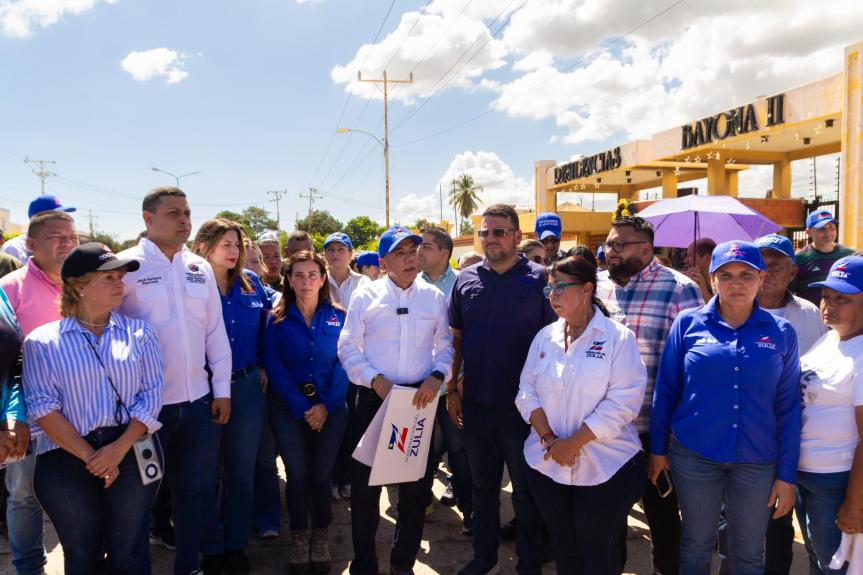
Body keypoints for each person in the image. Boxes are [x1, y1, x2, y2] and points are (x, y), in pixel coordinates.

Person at [650, 240, 801, 574]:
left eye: (746, 275)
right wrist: (658, 451)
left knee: (747, 553)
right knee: (696, 544)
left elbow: (789, 406)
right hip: (695, 455)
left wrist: (786, 475)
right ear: (712, 279)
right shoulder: (688, 324)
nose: (736, 283)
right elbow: (667, 389)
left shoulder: (781, 332)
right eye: (726, 275)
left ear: (761, 278)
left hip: (757, 460)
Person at [22, 242, 162, 575]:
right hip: (65, 458)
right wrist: (92, 457)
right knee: (82, 552)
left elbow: (152, 395)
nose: (120, 284)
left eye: (120, 277)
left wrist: (116, 451)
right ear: (79, 286)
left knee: (128, 548)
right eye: (109, 277)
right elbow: (42, 407)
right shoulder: (42, 342)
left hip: (131, 451)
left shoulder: (141, 333)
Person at [118, 187, 232, 575]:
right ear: (148, 220)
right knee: (140, 497)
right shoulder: (125, 267)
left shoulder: (198, 267)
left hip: (198, 403)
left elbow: (215, 333)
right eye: (173, 213)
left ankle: (188, 566)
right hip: (145, 410)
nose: (184, 220)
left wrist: (222, 391)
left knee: (192, 491)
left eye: (187, 212)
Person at [517, 255, 647, 573]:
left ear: (588, 288)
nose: (553, 295)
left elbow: (623, 402)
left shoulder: (617, 338)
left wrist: (573, 442)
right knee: (563, 545)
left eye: (561, 286)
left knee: (598, 547)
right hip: (548, 462)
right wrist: (550, 439)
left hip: (606, 466)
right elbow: (526, 393)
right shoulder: (544, 337)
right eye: (550, 288)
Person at [338, 225, 454, 575]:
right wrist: (374, 380)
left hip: (417, 401)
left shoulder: (433, 298)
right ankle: (365, 564)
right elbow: (347, 346)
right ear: (384, 261)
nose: (410, 258)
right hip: (374, 399)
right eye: (401, 253)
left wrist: (438, 375)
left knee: (415, 492)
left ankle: (402, 564)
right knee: (365, 491)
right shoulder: (365, 296)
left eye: (414, 251)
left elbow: (446, 346)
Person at [448, 204, 557, 575]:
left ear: (515, 235)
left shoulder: (541, 280)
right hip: (477, 405)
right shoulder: (466, 280)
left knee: (527, 494)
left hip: (525, 410)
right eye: (484, 232)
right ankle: (485, 558)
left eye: (498, 231)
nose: (490, 238)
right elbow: (457, 340)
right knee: (483, 489)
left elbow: (556, 343)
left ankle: (529, 563)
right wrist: (452, 389)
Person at [596, 215, 703, 575]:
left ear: (645, 248)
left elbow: (690, 368)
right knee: (609, 519)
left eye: (619, 245)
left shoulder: (680, 288)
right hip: (603, 428)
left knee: (662, 517)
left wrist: (670, 433)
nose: (610, 251)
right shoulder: (597, 287)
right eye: (609, 244)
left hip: (654, 429)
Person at [0, 209, 79, 575]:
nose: (68, 244)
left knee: (79, 493)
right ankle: (29, 566)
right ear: (31, 245)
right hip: (27, 416)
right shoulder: (9, 288)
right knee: (24, 496)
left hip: (82, 411)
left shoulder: (83, 282)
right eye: (56, 237)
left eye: (72, 237)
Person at [264, 250, 349, 574]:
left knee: (320, 475)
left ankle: (321, 536)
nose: (305, 281)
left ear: (323, 278)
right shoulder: (275, 319)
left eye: (312, 274)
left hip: (332, 409)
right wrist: (304, 408)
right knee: (297, 475)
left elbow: (345, 362)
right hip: (288, 410)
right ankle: (300, 536)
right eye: (298, 275)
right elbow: (274, 365)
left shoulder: (339, 316)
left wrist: (325, 406)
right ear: (288, 280)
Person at [195, 219, 271, 575]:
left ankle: (236, 543)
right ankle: (210, 546)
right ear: (204, 247)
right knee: (207, 473)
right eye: (226, 244)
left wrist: (265, 366)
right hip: (203, 389)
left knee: (242, 471)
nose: (234, 252)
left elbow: (271, 325)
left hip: (246, 387)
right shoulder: (192, 284)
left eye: (237, 245)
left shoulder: (251, 283)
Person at [794, 256, 863, 574]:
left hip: (837, 481)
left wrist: (854, 502)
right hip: (805, 475)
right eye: (826, 296)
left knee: (837, 566)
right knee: (819, 562)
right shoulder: (829, 338)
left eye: (843, 299)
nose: (829, 305)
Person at [418, 226, 473, 527]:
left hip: (454, 385)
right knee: (420, 449)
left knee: (459, 449)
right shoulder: (410, 284)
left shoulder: (464, 285)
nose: (419, 252)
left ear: (444, 253)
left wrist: (456, 383)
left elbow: (463, 338)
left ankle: (470, 512)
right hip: (418, 386)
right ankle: (418, 503)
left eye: (426, 246)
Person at [244, 238, 282, 539]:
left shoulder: (275, 298)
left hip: (267, 390)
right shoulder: (217, 295)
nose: (249, 268)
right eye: (244, 262)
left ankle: (269, 517)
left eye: (255, 262)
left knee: (264, 457)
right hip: (233, 387)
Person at [792, 209, 855, 306]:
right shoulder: (800, 258)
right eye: (822, 229)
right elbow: (790, 292)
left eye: (832, 228)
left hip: (842, 315)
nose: (828, 233)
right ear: (808, 232)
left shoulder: (849, 255)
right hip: (811, 316)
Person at [2, 194, 76, 263]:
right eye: (55, 215)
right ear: (37, 219)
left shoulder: (68, 243)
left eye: (63, 214)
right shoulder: (13, 248)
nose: (62, 218)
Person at [323, 232, 369, 307]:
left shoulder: (363, 282)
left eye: (341, 249)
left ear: (350, 254)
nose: (335, 253)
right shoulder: (317, 282)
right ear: (325, 254)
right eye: (330, 249)